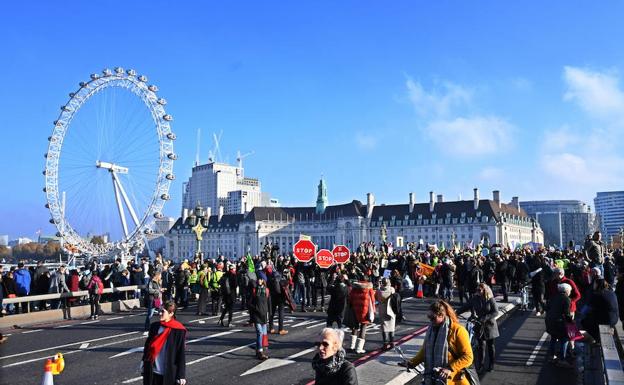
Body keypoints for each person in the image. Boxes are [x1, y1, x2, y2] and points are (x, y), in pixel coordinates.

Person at [407, 300, 473, 385]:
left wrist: (450, 368)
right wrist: (412, 362)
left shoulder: (458, 330)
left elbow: (468, 357)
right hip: (433, 379)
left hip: (453, 380)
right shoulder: (431, 329)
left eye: (433, 318)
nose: (430, 321)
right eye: (429, 317)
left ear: (441, 315)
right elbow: (424, 351)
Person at [141, 301, 187, 385]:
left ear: (171, 313)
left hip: (168, 373)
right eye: (159, 310)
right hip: (152, 371)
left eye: (163, 311)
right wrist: (143, 364)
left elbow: (181, 353)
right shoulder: (154, 326)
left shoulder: (179, 330)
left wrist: (181, 375)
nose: (159, 313)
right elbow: (147, 347)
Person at [457, 282, 499, 373]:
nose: (477, 292)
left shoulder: (490, 299)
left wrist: (484, 318)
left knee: (490, 346)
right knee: (481, 346)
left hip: (490, 326)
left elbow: (496, 312)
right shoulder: (474, 299)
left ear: (484, 290)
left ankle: (491, 364)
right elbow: (465, 307)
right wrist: (455, 313)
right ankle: (481, 365)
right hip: (479, 326)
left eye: (479, 290)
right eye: (476, 290)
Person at [348, 280, 376, 354]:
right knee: (363, 327)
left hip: (355, 308)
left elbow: (350, 298)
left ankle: (352, 346)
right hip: (365, 310)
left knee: (355, 327)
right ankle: (359, 348)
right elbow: (372, 300)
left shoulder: (355, 288)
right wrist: (373, 311)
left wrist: (350, 306)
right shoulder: (369, 288)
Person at [250, 278, 270, 360]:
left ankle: (258, 350)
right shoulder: (254, 290)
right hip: (257, 314)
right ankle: (260, 351)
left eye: (261, 279)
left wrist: (270, 314)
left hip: (264, 314)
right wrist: (255, 309)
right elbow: (250, 302)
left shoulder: (266, 290)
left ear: (263, 281)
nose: (259, 281)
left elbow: (269, 302)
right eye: (258, 279)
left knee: (264, 333)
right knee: (260, 332)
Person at [376, 277, 398, 350]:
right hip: (391, 310)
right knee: (391, 327)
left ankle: (385, 344)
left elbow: (376, 298)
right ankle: (392, 343)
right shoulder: (391, 289)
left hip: (382, 311)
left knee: (384, 328)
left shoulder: (379, 291)